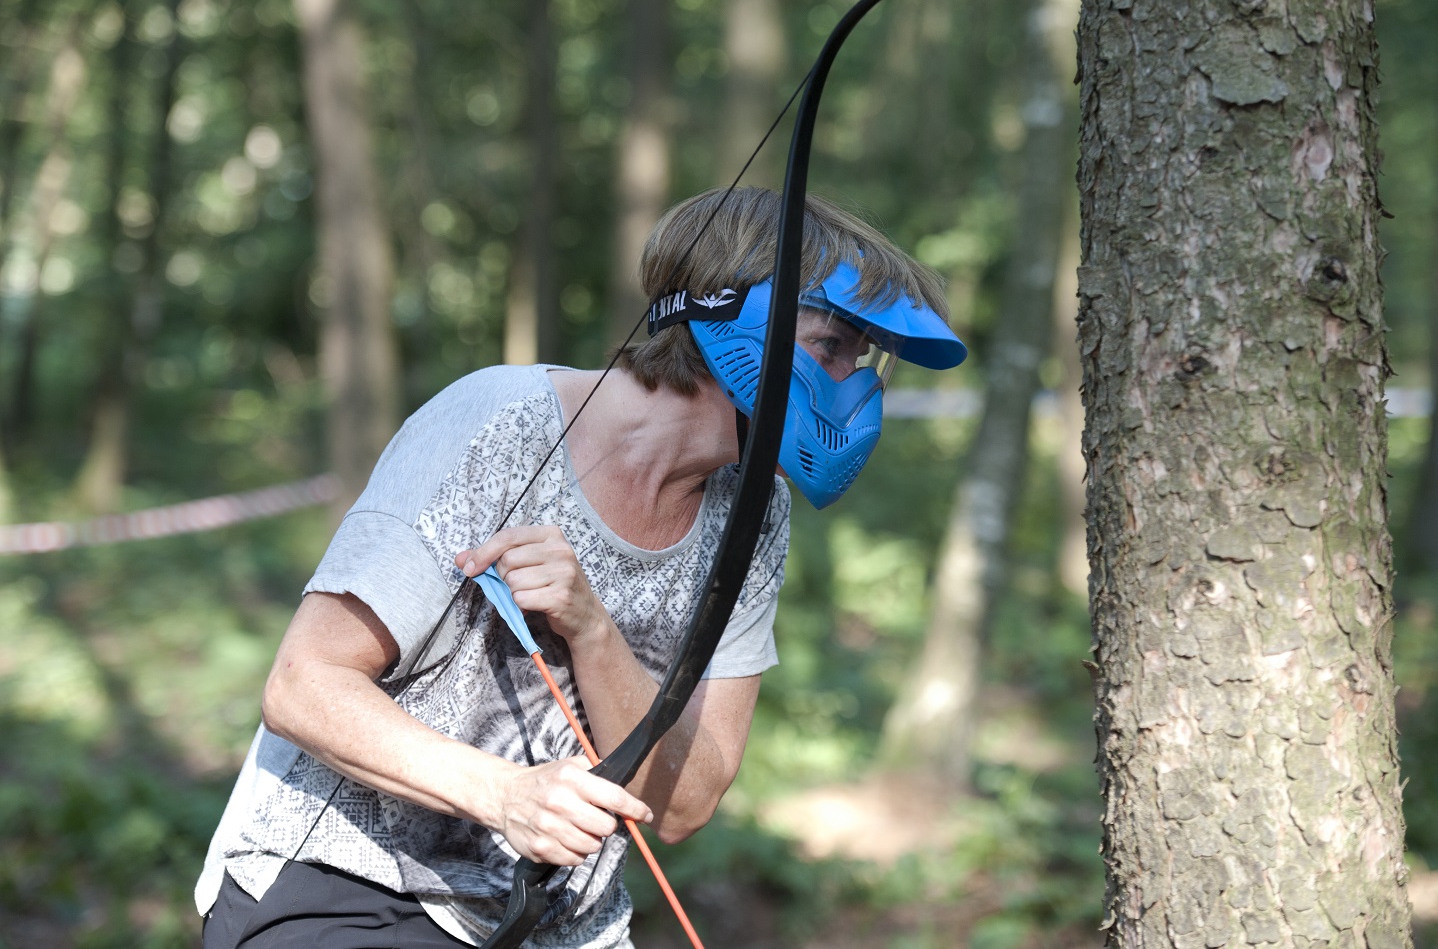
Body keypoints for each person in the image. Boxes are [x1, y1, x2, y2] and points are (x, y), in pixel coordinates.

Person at [196, 186, 966, 948]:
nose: (854, 386)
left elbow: (686, 804)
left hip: (555, 925)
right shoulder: (500, 420)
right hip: (345, 887)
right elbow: (303, 685)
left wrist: (593, 631)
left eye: (863, 360)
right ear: (733, 315)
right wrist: (505, 795)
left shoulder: (755, 510)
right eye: (831, 347)